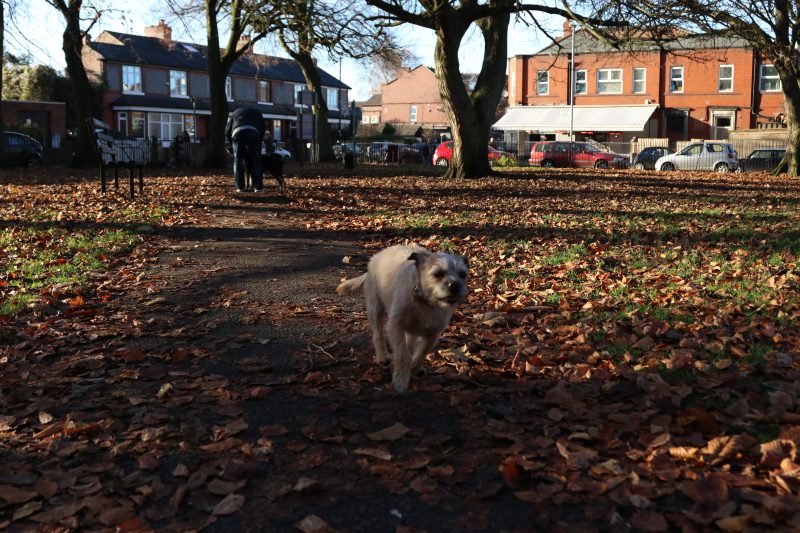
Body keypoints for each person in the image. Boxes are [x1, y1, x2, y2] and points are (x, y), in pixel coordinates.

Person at [225, 106, 265, 192]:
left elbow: (227, 130)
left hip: (237, 132)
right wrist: (258, 142)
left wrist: (231, 144)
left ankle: (239, 187)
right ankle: (258, 187)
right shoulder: (258, 113)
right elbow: (263, 129)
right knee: (256, 159)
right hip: (253, 132)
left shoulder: (235, 112)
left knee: (238, 160)